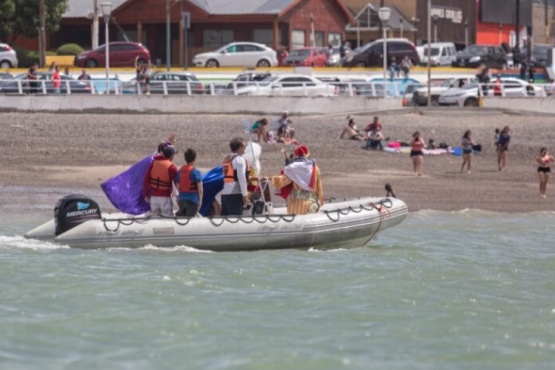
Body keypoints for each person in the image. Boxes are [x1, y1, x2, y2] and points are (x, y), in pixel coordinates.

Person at [269, 145, 324, 215]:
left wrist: (270, 178)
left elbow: (282, 180)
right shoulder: (315, 169)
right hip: (310, 205)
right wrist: (320, 201)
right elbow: (319, 188)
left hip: (293, 206)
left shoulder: (292, 169)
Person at [143, 145, 178, 217]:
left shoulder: (153, 164)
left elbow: (146, 180)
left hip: (153, 198)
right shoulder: (172, 167)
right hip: (165, 198)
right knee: (167, 219)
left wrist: (146, 195)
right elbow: (177, 182)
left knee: (154, 219)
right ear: (171, 155)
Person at [221, 137, 249, 216]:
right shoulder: (239, 159)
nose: (245, 148)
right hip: (234, 194)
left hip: (225, 194)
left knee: (225, 221)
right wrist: (245, 194)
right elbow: (241, 177)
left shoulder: (227, 159)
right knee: (235, 220)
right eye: (244, 146)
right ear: (240, 147)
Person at [176, 148, 203, 217]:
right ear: (194, 159)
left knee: (183, 221)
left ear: (185, 159)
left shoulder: (180, 171)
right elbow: (200, 190)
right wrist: (200, 202)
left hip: (182, 200)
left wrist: (178, 199)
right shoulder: (196, 172)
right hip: (193, 201)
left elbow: (178, 187)